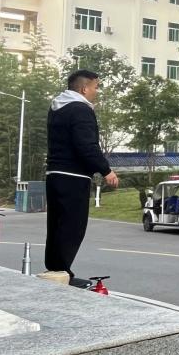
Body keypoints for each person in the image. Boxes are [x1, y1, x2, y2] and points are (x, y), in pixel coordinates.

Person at [44, 70, 119, 284]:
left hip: (55, 174)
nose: (97, 91)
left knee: (57, 225)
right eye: (96, 87)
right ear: (84, 88)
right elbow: (86, 145)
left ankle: (56, 271)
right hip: (73, 176)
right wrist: (106, 170)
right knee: (72, 227)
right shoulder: (81, 109)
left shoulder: (57, 108)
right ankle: (62, 272)